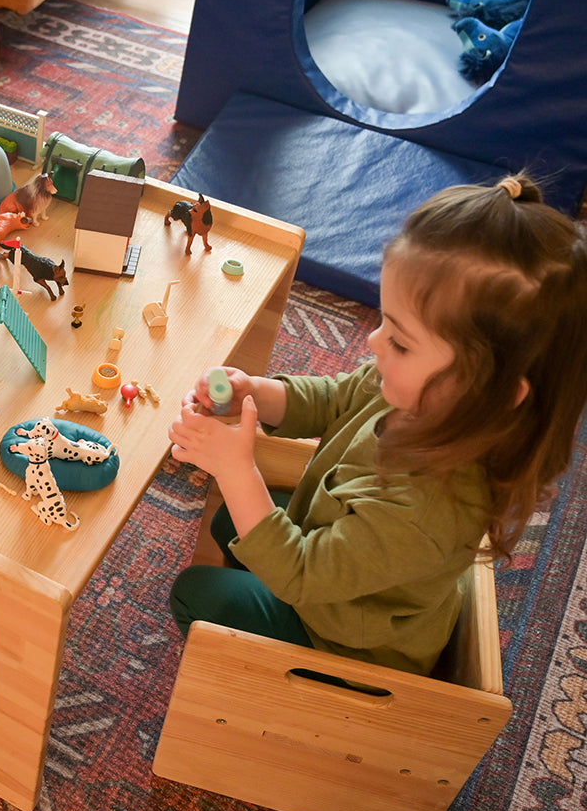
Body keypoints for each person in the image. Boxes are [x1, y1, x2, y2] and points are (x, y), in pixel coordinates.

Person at [168, 176, 587, 676]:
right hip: (340, 571)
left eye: (402, 341)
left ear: (489, 391)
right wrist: (255, 391)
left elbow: (301, 573)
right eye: (386, 321)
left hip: (345, 642)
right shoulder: (417, 393)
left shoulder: (428, 507)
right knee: (228, 523)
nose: (373, 341)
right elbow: (336, 397)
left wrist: (235, 470)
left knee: (197, 591)